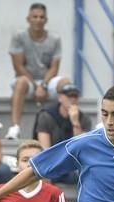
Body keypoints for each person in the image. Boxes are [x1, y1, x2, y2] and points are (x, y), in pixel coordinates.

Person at [5, 3, 70, 140]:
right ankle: (15, 127)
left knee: (66, 84)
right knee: (21, 82)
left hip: (46, 80)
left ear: (46, 20)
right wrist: (35, 86)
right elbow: (18, 66)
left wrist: (44, 85)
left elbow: (54, 67)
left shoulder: (55, 39)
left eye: (41, 17)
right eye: (35, 17)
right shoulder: (19, 36)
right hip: (27, 80)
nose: (38, 20)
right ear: (28, 19)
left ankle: (69, 123)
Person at [32, 84, 92, 184]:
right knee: (44, 171)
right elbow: (45, 150)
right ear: (60, 98)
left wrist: (75, 122)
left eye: (75, 96)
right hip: (52, 161)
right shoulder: (46, 116)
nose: (72, 100)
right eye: (69, 96)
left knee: (85, 173)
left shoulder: (84, 119)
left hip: (72, 164)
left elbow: (82, 149)